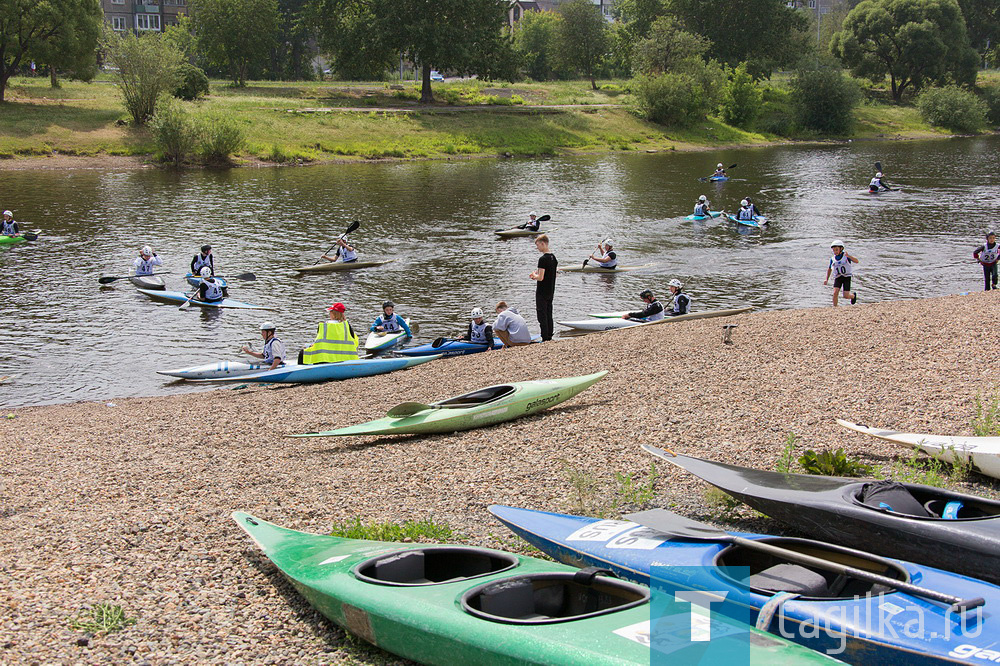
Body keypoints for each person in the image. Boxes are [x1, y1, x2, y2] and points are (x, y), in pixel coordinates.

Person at [530, 234, 557, 341]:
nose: (537, 248)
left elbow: (540, 277)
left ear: (543, 243)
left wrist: (533, 276)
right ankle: (550, 335)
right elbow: (552, 273)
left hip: (542, 291)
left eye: (538, 245)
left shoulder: (542, 259)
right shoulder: (553, 258)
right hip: (550, 290)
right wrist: (537, 273)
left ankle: (545, 337)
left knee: (541, 314)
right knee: (549, 312)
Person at [824, 240, 859, 306]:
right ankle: (835, 307)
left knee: (846, 296)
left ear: (841, 249)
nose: (835, 252)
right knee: (835, 293)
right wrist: (826, 279)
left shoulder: (846, 256)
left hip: (846, 277)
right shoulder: (833, 259)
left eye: (836, 250)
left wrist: (849, 256)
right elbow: (829, 269)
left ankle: (853, 296)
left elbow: (857, 261)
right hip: (838, 277)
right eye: (834, 250)